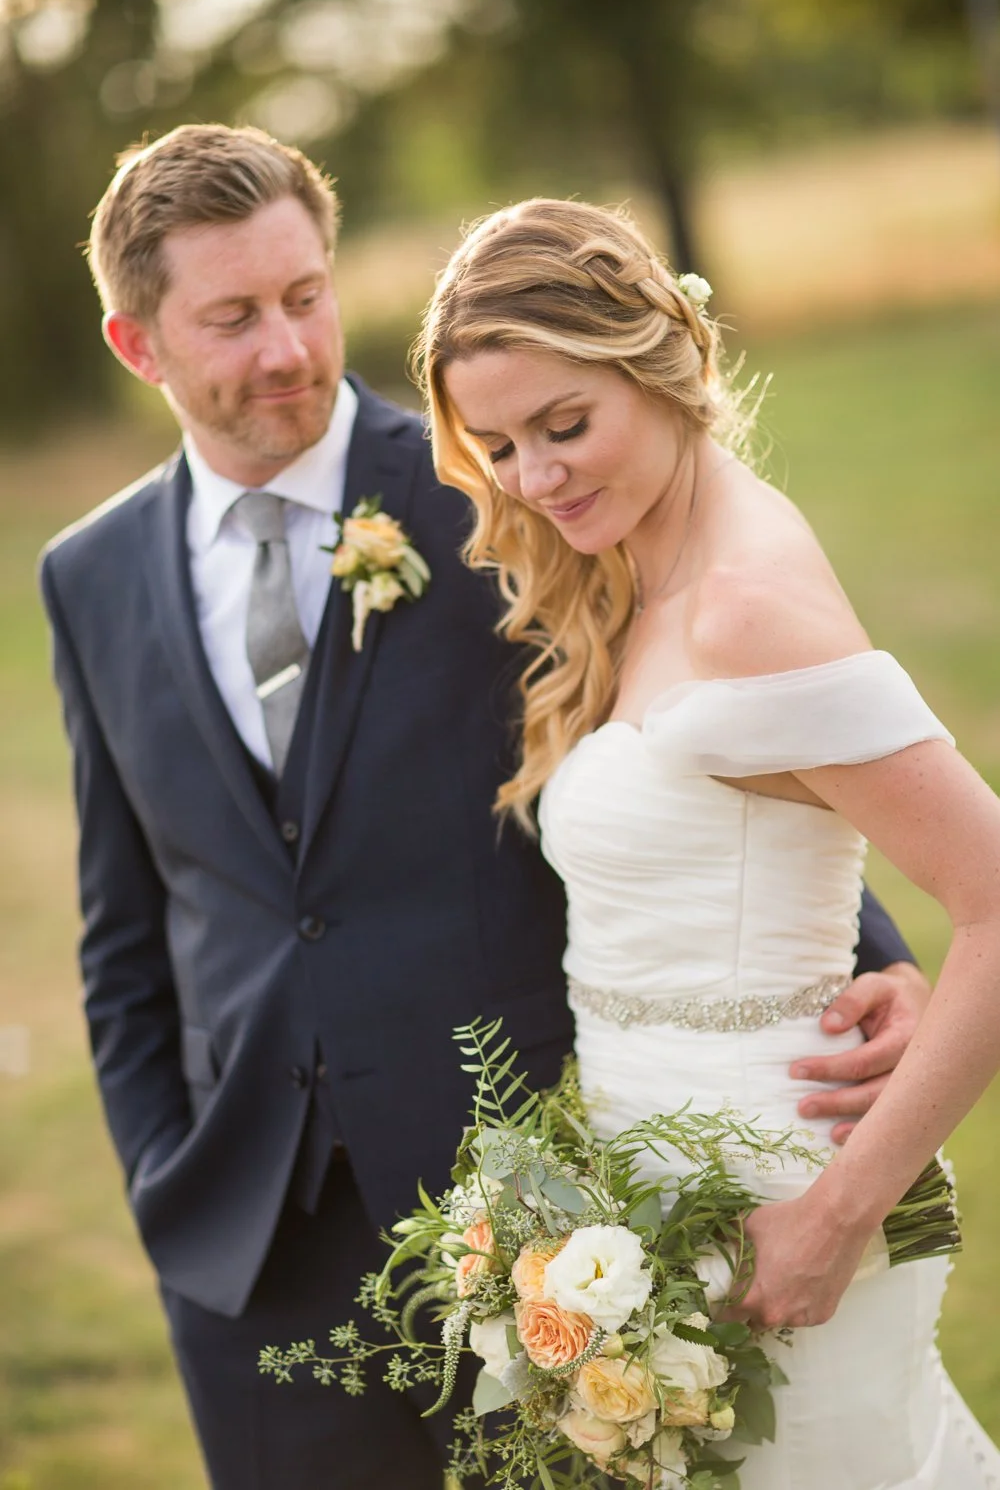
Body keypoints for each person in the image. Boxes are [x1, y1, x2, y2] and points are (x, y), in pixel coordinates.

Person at [40, 126, 927, 1490]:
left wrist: (872, 954)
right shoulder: (87, 578)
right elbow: (125, 928)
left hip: (532, 1211)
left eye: (306, 294)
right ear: (138, 344)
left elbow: (696, 728)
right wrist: (169, 1177)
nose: (288, 346)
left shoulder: (503, 489)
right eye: (232, 317)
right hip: (248, 1242)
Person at [418, 197, 1000, 1489]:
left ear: (664, 360)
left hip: (787, 1214)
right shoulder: (638, 568)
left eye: (567, 426)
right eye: (503, 444)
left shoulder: (745, 607)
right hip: (658, 1208)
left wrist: (833, 1220)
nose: (536, 478)